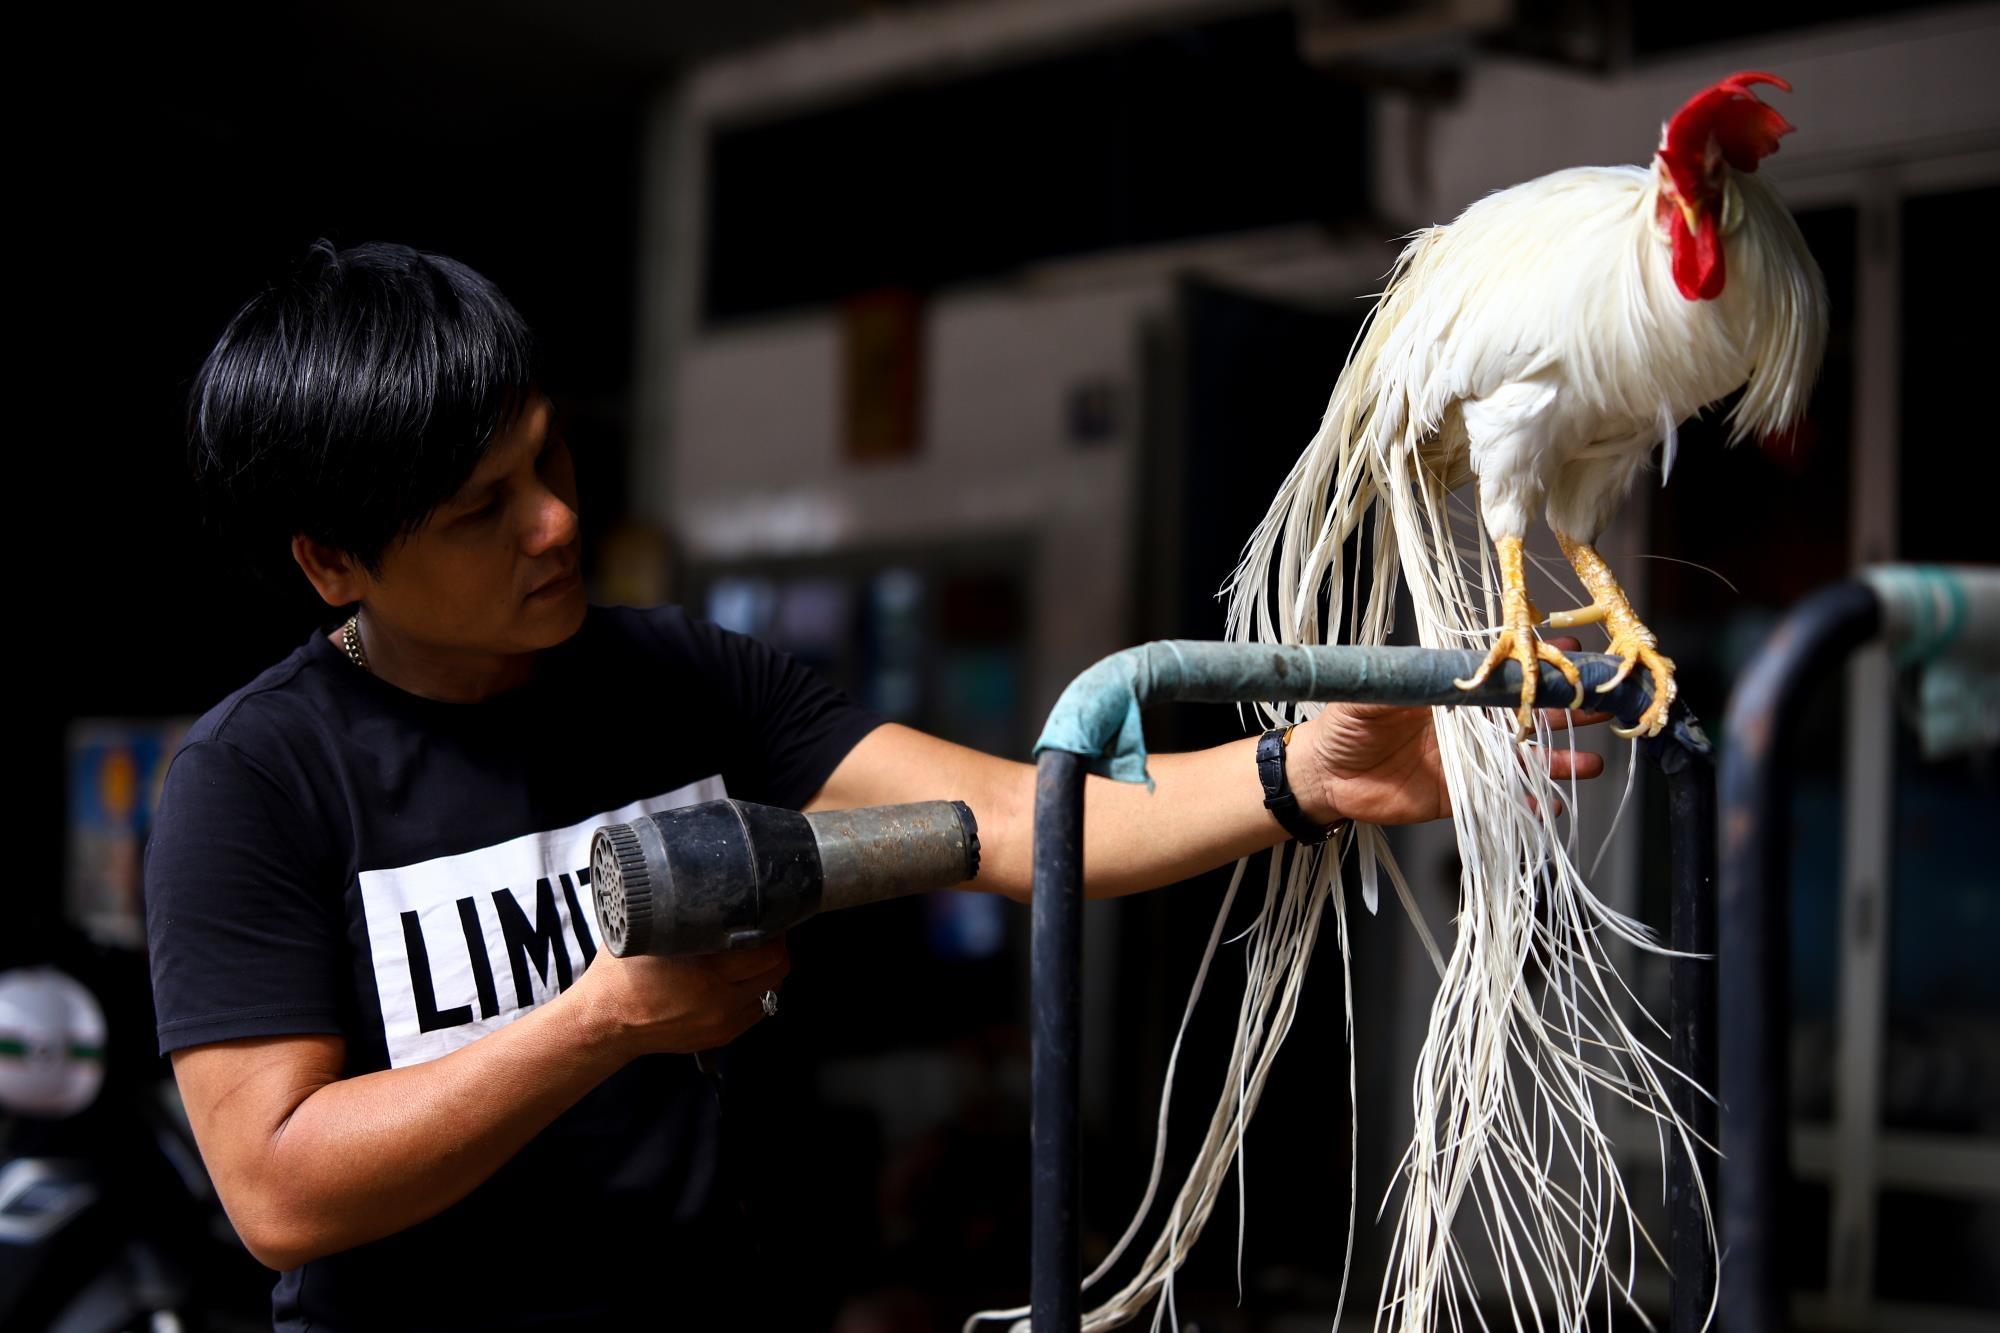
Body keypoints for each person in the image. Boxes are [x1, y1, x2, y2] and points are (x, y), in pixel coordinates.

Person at [146, 241, 1607, 1331]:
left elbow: (1018, 823)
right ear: (333, 563)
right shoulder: (253, 779)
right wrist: (597, 1023)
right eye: (483, 509)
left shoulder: (677, 676)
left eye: (552, 456)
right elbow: (278, 1186)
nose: (557, 520)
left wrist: (1313, 773)